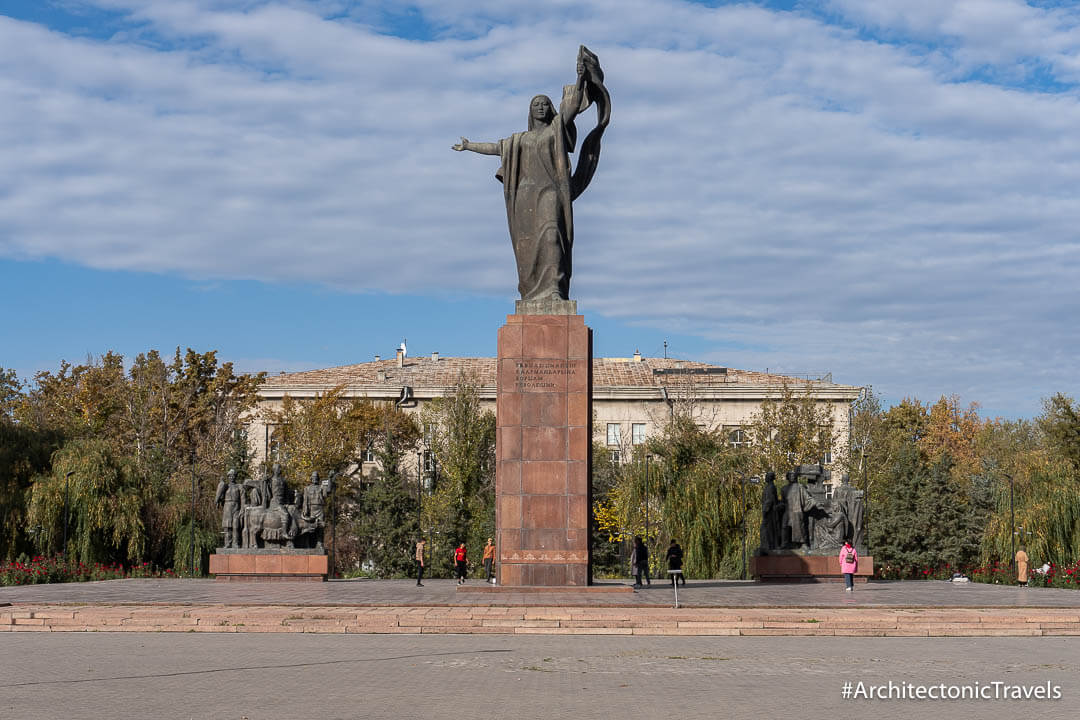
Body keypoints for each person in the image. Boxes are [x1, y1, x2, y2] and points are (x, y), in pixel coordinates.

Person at [452, 46, 609, 303]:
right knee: (527, 250)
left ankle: (555, 291)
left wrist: (580, 78)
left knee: (552, 235)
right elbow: (495, 148)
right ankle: (534, 294)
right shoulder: (519, 140)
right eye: (535, 104)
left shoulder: (556, 129)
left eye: (544, 103)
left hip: (550, 192)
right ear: (530, 110)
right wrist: (469, 146)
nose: (540, 107)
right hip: (526, 197)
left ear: (550, 109)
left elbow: (570, 109)